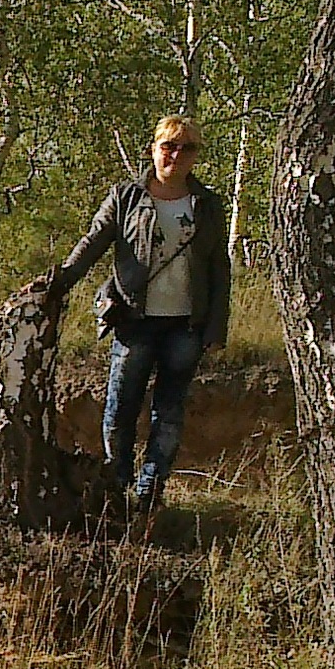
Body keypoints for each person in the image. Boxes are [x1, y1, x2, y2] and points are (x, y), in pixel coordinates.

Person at [50, 114, 232, 510]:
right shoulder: (126, 197)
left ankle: (149, 493)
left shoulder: (207, 204)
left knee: (169, 412)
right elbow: (93, 241)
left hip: (186, 324)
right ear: (153, 150)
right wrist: (60, 281)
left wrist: (216, 327)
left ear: (196, 156)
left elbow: (220, 267)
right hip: (134, 321)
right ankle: (116, 489)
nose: (176, 155)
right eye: (168, 146)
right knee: (120, 408)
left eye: (186, 148)